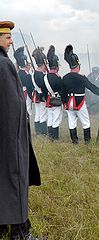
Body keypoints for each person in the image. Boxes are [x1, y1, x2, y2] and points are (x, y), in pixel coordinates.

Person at [0, 20, 41, 240]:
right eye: (7, 37)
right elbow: (14, 106)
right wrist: (19, 141)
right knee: (14, 177)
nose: (11, 40)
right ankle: (20, 232)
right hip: (9, 135)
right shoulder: (4, 64)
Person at [62, 44, 99, 144]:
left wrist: (64, 103)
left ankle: (74, 141)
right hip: (79, 103)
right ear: (78, 66)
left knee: (72, 122)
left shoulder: (65, 77)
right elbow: (92, 88)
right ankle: (87, 141)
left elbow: (63, 92)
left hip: (68, 103)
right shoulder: (82, 77)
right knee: (85, 122)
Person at [45, 45, 63, 140]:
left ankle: (50, 136)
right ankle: (55, 138)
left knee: (50, 118)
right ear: (57, 66)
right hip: (56, 99)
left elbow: (44, 90)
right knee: (56, 118)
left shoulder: (45, 77)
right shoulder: (58, 78)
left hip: (48, 99)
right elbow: (61, 90)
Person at [32, 47, 48, 135]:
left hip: (37, 94)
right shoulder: (41, 75)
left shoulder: (35, 73)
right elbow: (44, 87)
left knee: (38, 114)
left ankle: (38, 132)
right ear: (44, 63)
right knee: (43, 114)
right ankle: (43, 133)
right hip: (41, 95)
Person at [14, 46, 34, 116]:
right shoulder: (26, 75)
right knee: (28, 109)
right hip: (26, 92)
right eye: (29, 65)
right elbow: (30, 85)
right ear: (26, 65)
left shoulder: (19, 72)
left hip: (21, 92)